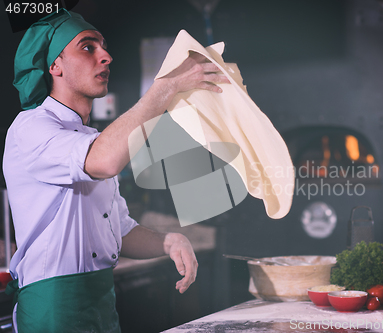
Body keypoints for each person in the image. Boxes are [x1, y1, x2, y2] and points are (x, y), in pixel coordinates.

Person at [3, 9, 230, 332]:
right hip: (53, 310)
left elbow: (120, 232)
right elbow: (104, 161)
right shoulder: (32, 128)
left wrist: (170, 241)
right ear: (55, 66)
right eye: (87, 47)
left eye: (104, 46)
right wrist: (166, 88)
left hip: (101, 305)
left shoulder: (91, 139)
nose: (106, 56)